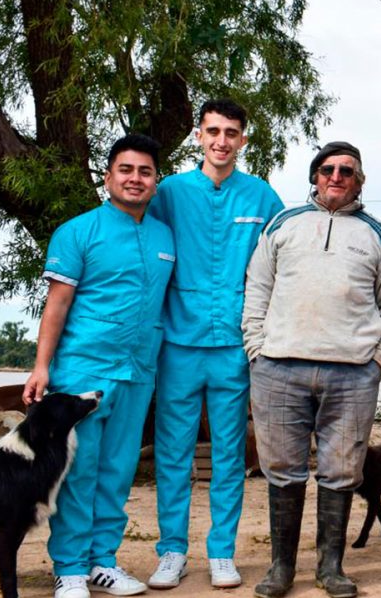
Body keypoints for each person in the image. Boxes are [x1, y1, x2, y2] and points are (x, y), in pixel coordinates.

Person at [243, 141, 381, 598]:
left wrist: (379, 358)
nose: (336, 176)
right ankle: (281, 568)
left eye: (347, 170)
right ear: (315, 176)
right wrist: (257, 349)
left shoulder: (376, 234)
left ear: (360, 180)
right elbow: (257, 288)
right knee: (282, 469)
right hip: (279, 368)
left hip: (352, 374)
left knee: (340, 470)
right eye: (327, 169)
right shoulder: (284, 225)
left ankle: (330, 567)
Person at [22, 134, 176, 598]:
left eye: (145, 172)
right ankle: (68, 567)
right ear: (108, 176)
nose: (135, 178)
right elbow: (58, 303)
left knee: (117, 471)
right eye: (126, 170)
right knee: (79, 472)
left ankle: (102, 563)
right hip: (82, 373)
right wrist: (41, 367)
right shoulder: (77, 232)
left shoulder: (165, 236)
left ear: (155, 181)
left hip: (138, 373)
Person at [146, 101, 283, 590]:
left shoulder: (262, 196)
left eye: (231, 133)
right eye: (213, 132)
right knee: (172, 453)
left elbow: (282, 261)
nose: (221, 141)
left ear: (243, 139)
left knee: (229, 454)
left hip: (235, 345)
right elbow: (145, 249)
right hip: (178, 344)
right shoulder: (170, 192)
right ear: (198, 136)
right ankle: (171, 551)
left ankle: (222, 552)